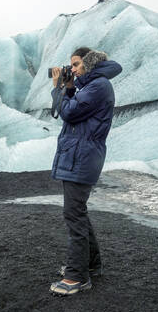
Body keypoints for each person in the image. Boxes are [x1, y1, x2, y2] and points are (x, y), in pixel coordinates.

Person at [49, 47, 122, 296]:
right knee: (78, 212)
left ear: (89, 65)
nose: (74, 70)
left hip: (82, 158)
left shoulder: (98, 86)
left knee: (74, 215)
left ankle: (77, 277)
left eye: (78, 65)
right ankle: (90, 265)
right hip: (79, 156)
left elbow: (68, 112)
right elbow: (74, 113)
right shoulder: (90, 86)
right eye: (72, 66)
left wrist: (59, 87)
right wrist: (69, 88)